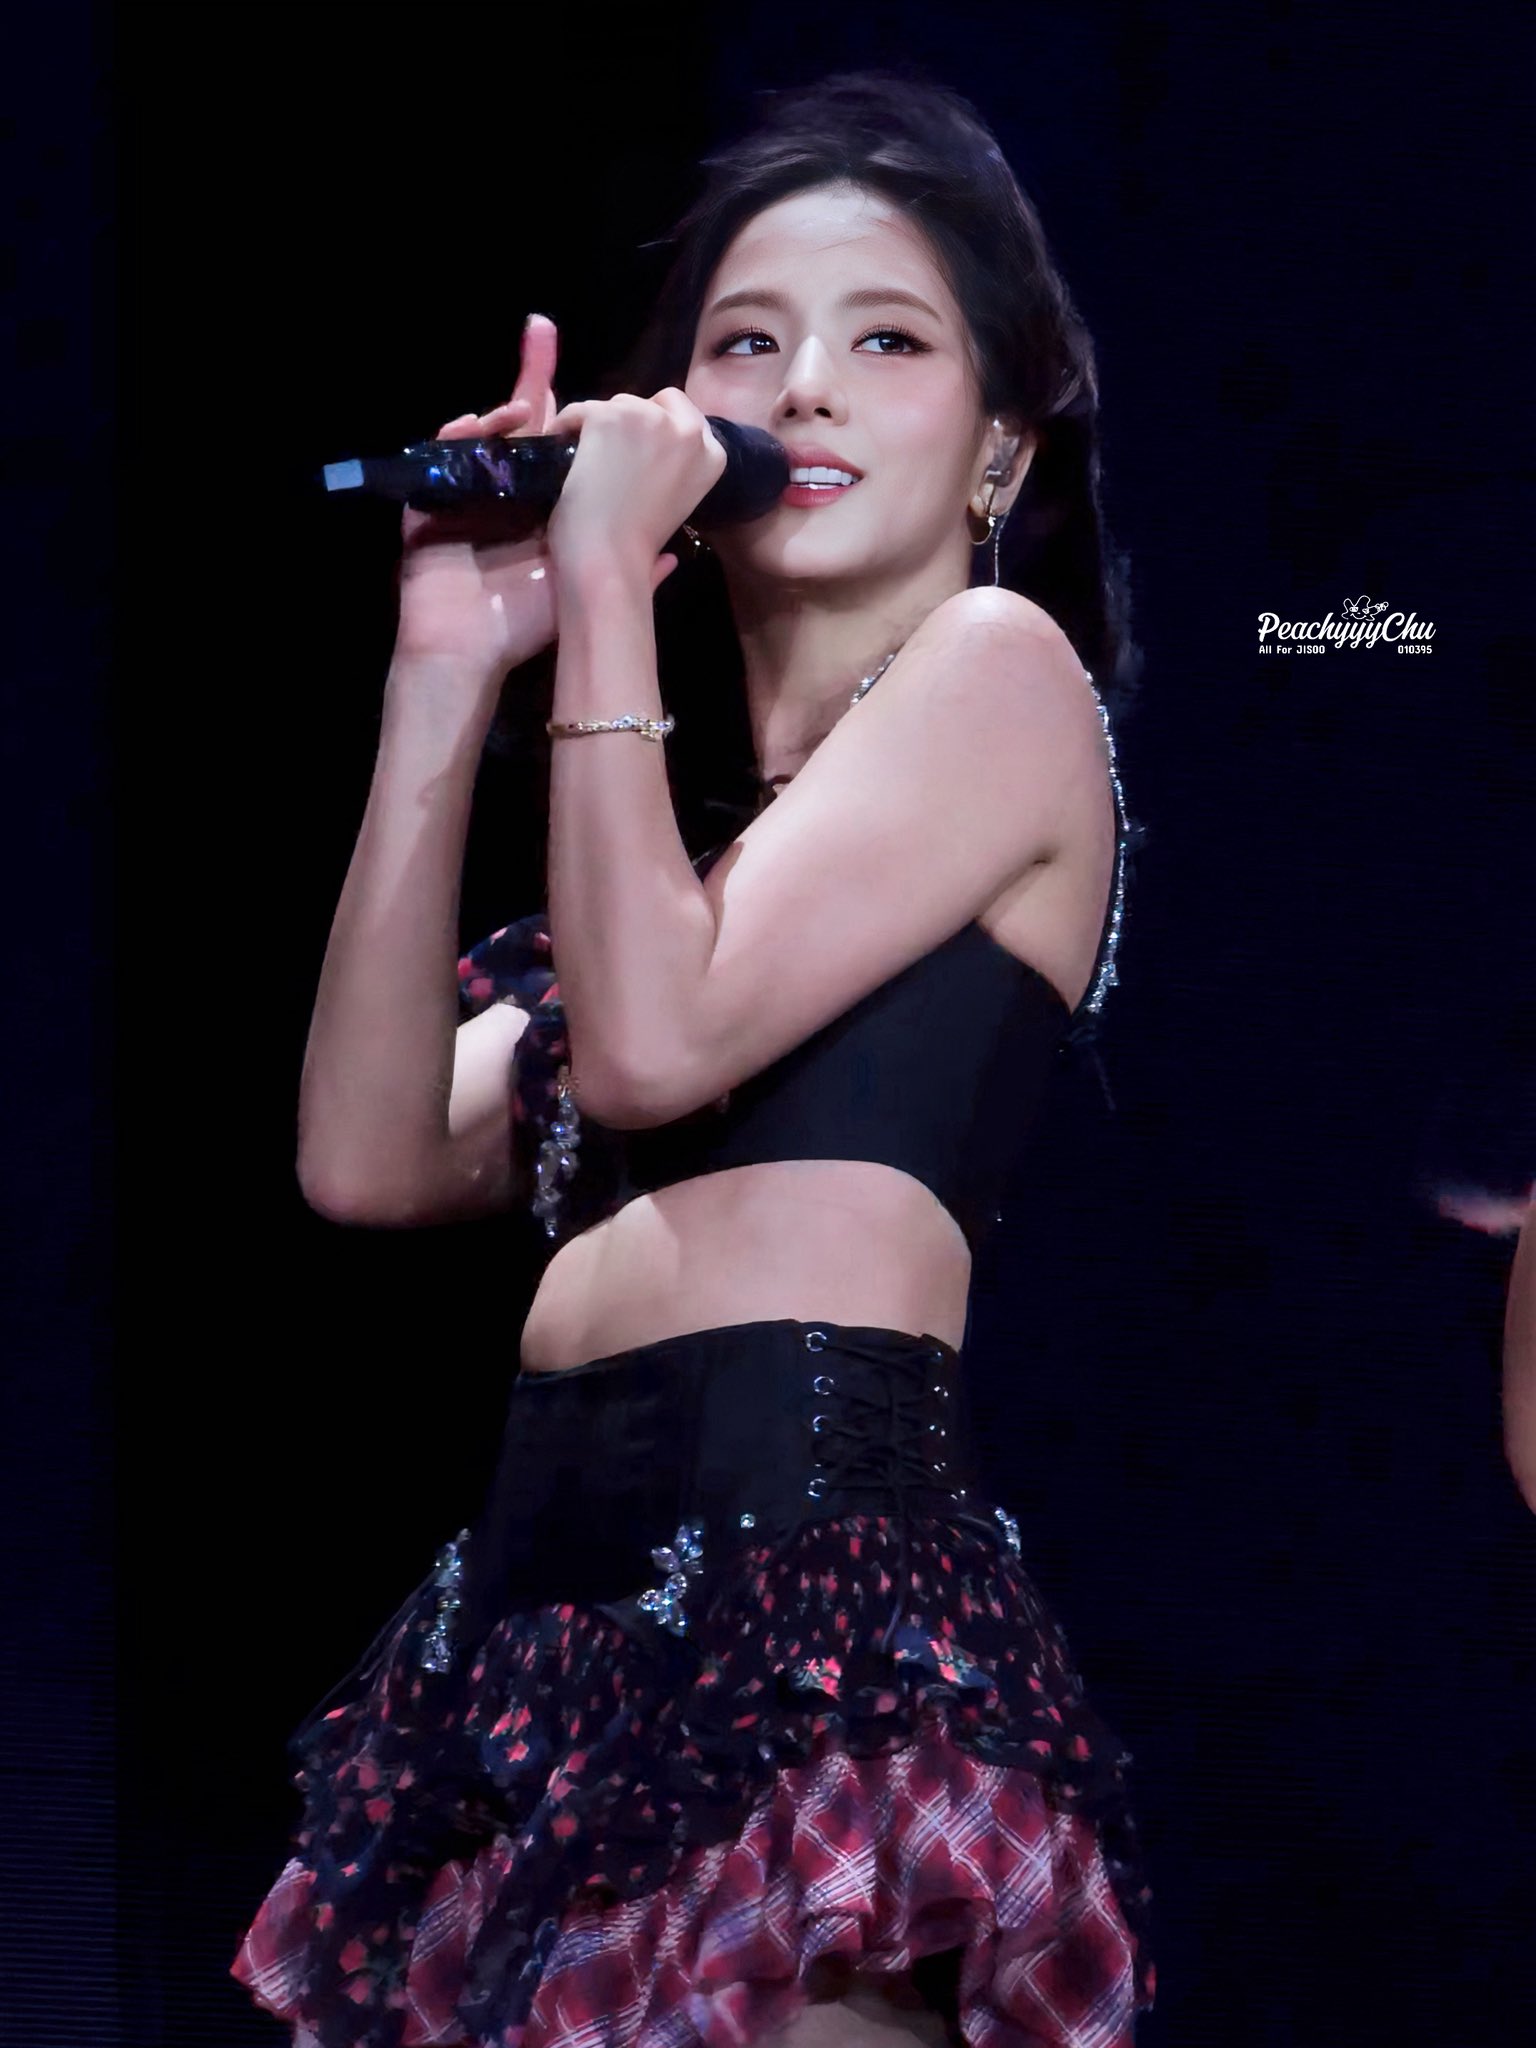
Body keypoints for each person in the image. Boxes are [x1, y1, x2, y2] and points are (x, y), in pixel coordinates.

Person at [232, 70, 1154, 2048]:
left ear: (999, 445)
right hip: (543, 1649)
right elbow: (367, 1153)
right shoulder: (679, 877)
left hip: (812, 1618)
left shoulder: (1000, 677)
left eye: (886, 341)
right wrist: (443, 671)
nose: (805, 387)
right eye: (748, 344)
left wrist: (597, 605)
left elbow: (649, 1051)